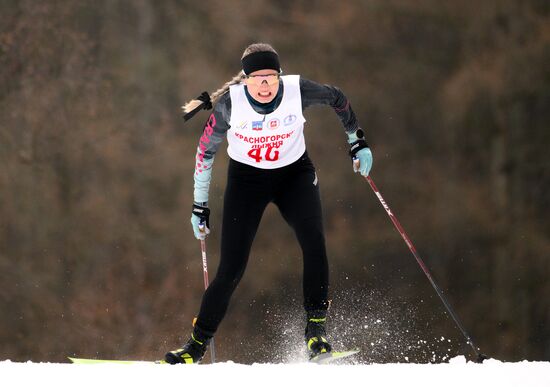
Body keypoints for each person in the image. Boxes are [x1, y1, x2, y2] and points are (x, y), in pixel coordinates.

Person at [165, 43, 372, 364]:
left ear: (280, 75)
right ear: (245, 80)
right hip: (246, 183)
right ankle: (194, 346)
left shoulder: (297, 90)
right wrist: (199, 205)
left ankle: (316, 334)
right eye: (257, 78)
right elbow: (205, 154)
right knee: (231, 269)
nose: (265, 85)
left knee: (314, 243)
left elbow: (338, 98)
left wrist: (356, 140)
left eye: (271, 77)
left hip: (295, 177)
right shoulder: (229, 105)